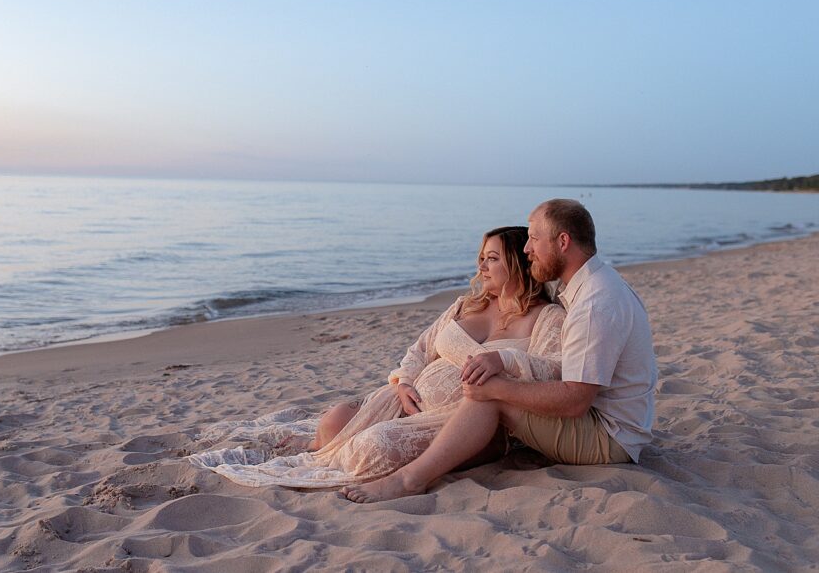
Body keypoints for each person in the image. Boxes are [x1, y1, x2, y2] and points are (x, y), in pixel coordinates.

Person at [188, 226, 566, 489]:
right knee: (335, 418)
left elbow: (556, 369)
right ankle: (319, 448)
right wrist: (402, 383)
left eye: (492, 259)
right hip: (407, 400)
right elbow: (419, 350)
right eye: (481, 258)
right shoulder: (467, 305)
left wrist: (506, 361)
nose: (480, 267)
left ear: (517, 263)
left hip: (459, 420)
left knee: (374, 449)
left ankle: (363, 461)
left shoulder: (546, 318)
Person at [342, 199, 657, 503]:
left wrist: (499, 385)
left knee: (488, 394)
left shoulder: (593, 303)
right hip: (607, 423)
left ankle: (410, 480)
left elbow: (575, 401)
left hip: (608, 437)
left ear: (562, 242)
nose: (527, 248)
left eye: (534, 238)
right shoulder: (593, 286)